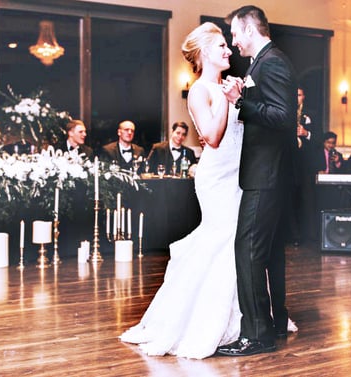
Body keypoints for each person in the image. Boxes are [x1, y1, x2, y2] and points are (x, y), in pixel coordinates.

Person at [120, 21, 247, 359]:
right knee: (222, 241)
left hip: (237, 176)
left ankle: (243, 318)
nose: (228, 50)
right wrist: (226, 99)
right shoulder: (200, 90)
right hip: (217, 178)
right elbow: (214, 137)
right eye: (221, 46)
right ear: (205, 51)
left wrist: (237, 99)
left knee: (237, 242)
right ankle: (209, 322)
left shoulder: (226, 86)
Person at [216, 5, 297, 357]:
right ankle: (273, 323)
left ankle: (257, 334)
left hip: (268, 174)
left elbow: (282, 116)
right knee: (264, 252)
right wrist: (245, 96)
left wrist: (239, 102)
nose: (233, 42)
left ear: (250, 30)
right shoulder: (262, 63)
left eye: (235, 34)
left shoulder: (273, 62)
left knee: (247, 249)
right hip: (267, 173)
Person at [288, 86, 322, 245]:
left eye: (299, 95)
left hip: (306, 164)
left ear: (304, 97)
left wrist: (306, 133)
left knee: (308, 200)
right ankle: (293, 236)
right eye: (294, 95)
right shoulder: (284, 112)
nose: (296, 98)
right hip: (289, 162)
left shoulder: (312, 115)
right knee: (290, 199)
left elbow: (318, 140)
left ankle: (310, 235)